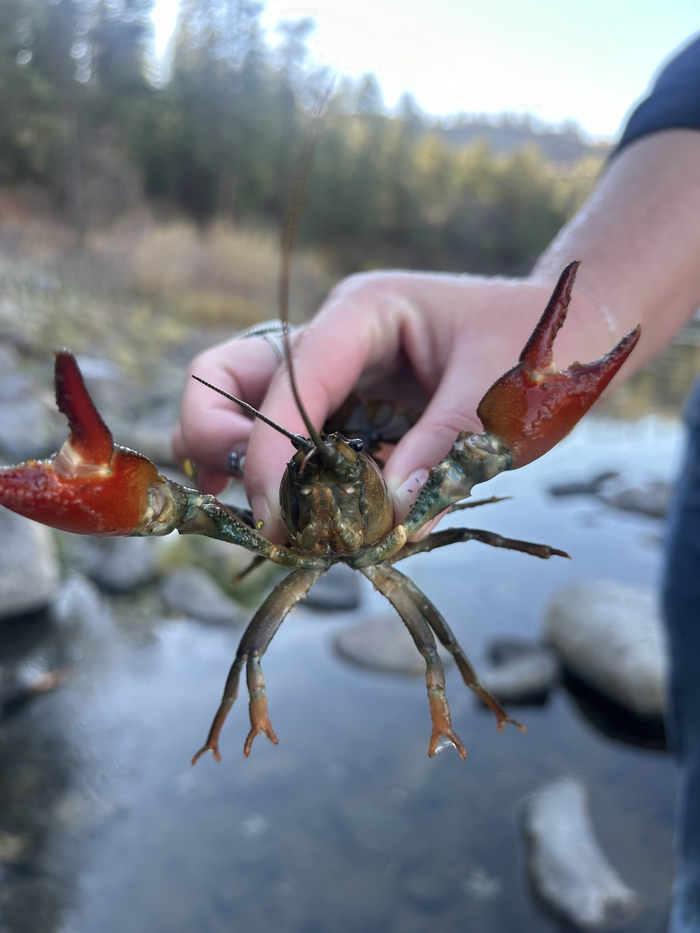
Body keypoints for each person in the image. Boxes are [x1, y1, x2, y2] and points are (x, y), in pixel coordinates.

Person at [174, 34, 700, 932]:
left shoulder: (409, 506)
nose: (331, 471)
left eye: (346, 464)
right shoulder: (295, 516)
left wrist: (493, 513)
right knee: (250, 648)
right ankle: (246, 721)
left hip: (389, 546)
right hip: (320, 554)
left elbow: (467, 508)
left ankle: (464, 706)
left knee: (436, 639)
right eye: (314, 463)